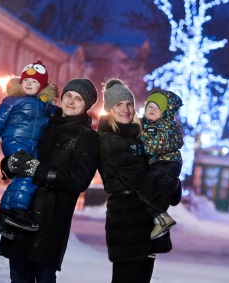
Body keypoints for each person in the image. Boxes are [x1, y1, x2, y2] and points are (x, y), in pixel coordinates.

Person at [0, 78, 100, 282]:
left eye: (78, 99)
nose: (71, 101)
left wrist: (39, 171)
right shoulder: (42, 123)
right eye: (68, 95)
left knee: (44, 276)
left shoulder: (88, 137)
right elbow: (19, 148)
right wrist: (8, 165)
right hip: (21, 213)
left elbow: (79, 179)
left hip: (51, 221)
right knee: (18, 276)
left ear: (86, 105)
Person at [98, 78, 178, 283]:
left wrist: (173, 184)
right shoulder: (109, 141)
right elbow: (138, 180)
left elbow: (157, 170)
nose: (125, 109)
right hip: (126, 226)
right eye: (118, 105)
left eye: (129, 104)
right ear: (109, 109)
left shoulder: (140, 137)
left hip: (146, 227)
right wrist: (162, 199)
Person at [0, 60, 58, 239]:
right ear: (21, 83)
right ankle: (18, 212)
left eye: (35, 81)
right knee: (27, 171)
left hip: (32, 144)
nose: (29, 84)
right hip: (14, 140)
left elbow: (58, 114)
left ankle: (2, 216)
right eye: (26, 81)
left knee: (30, 174)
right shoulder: (12, 101)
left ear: (42, 86)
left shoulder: (44, 104)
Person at [141, 90, 184, 239]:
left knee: (146, 186)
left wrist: (136, 148)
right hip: (162, 164)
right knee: (152, 188)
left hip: (167, 164)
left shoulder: (166, 126)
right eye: (149, 106)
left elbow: (155, 146)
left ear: (165, 112)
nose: (152, 110)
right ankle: (175, 186)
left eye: (156, 107)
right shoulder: (149, 125)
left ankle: (161, 218)